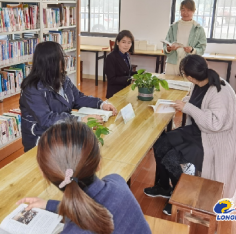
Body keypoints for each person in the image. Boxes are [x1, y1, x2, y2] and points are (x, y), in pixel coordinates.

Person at [17, 121, 151, 234]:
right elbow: (87, 205)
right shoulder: (117, 182)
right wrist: (49, 205)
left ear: (43, 173)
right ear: (98, 163)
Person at [144, 54, 236, 215]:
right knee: (160, 144)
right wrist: (179, 103)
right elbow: (195, 101)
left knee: (171, 158)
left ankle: (179, 195)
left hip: (213, 139)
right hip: (197, 130)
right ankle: (164, 187)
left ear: (190, 77)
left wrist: (187, 108)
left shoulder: (220, 91)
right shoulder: (200, 82)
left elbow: (215, 124)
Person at [20, 41, 117, 152]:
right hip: (41, 141)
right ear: (49, 62)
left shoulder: (62, 79)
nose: (64, 62)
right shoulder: (32, 89)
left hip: (63, 133)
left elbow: (78, 98)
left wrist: (101, 104)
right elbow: (47, 119)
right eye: (60, 59)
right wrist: (78, 120)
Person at [163, 0, 207, 75]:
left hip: (189, 64)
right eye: (183, 10)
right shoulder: (173, 27)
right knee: (168, 85)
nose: (185, 13)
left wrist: (192, 50)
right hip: (172, 63)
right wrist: (169, 48)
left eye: (189, 10)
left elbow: (202, 49)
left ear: (194, 11)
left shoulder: (198, 29)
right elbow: (165, 45)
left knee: (187, 85)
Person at [105, 30, 137, 98]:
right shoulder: (111, 57)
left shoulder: (127, 55)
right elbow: (112, 80)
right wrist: (130, 78)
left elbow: (128, 73)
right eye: (123, 42)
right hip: (115, 94)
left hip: (125, 92)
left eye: (129, 42)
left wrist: (139, 74)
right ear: (117, 42)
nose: (126, 45)